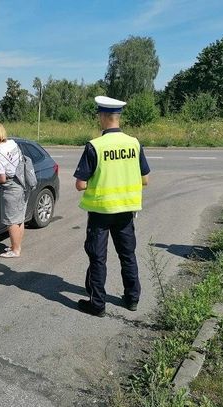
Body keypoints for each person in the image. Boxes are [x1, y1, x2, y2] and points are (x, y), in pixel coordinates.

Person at [74, 96, 150, 317]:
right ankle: (132, 298)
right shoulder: (134, 143)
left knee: (98, 258)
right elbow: (145, 179)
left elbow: (81, 184)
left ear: (103, 117)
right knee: (128, 255)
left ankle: (97, 304)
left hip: (100, 212)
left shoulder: (95, 146)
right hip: (126, 211)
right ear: (118, 117)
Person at [0, 123, 27, 258]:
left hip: (11, 187)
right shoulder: (12, 143)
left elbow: (1, 178)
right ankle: (16, 246)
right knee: (19, 219)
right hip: (21, 182)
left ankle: (15, 251)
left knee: (11, 221)